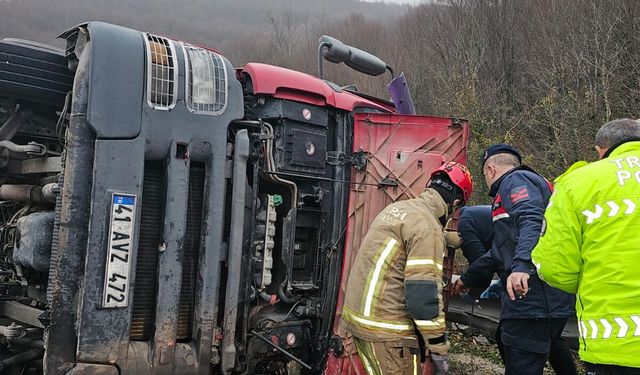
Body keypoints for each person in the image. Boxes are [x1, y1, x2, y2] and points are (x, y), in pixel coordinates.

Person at [452, 144, 574, 375]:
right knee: (513, 342)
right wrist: (468, 278)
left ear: (490, 169)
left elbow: (532, 219)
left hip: (533, 300)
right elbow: (499, 252)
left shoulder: (515, 181)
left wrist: (522, 266)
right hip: (542, 301)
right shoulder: (524, 186)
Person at [341, 161, 473, 375]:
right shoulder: (427, 227)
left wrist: (457, 239)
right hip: (389, 331)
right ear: (455, 203)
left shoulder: (399, 210)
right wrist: (438, 347)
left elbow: (422, 234)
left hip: (361, 324)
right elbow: (422, 298)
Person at [532, 118, 640, 374]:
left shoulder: (579, 183)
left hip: (615, 347)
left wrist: (593, 278)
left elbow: (555, 268)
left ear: (600, 150)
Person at [457, 205, 577, 375]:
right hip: (553, 284)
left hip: (530, 289)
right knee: (552, 338)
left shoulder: (465, 221)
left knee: (514, 339)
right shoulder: (485, 214)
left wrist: (467, 285)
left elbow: (483, 264)